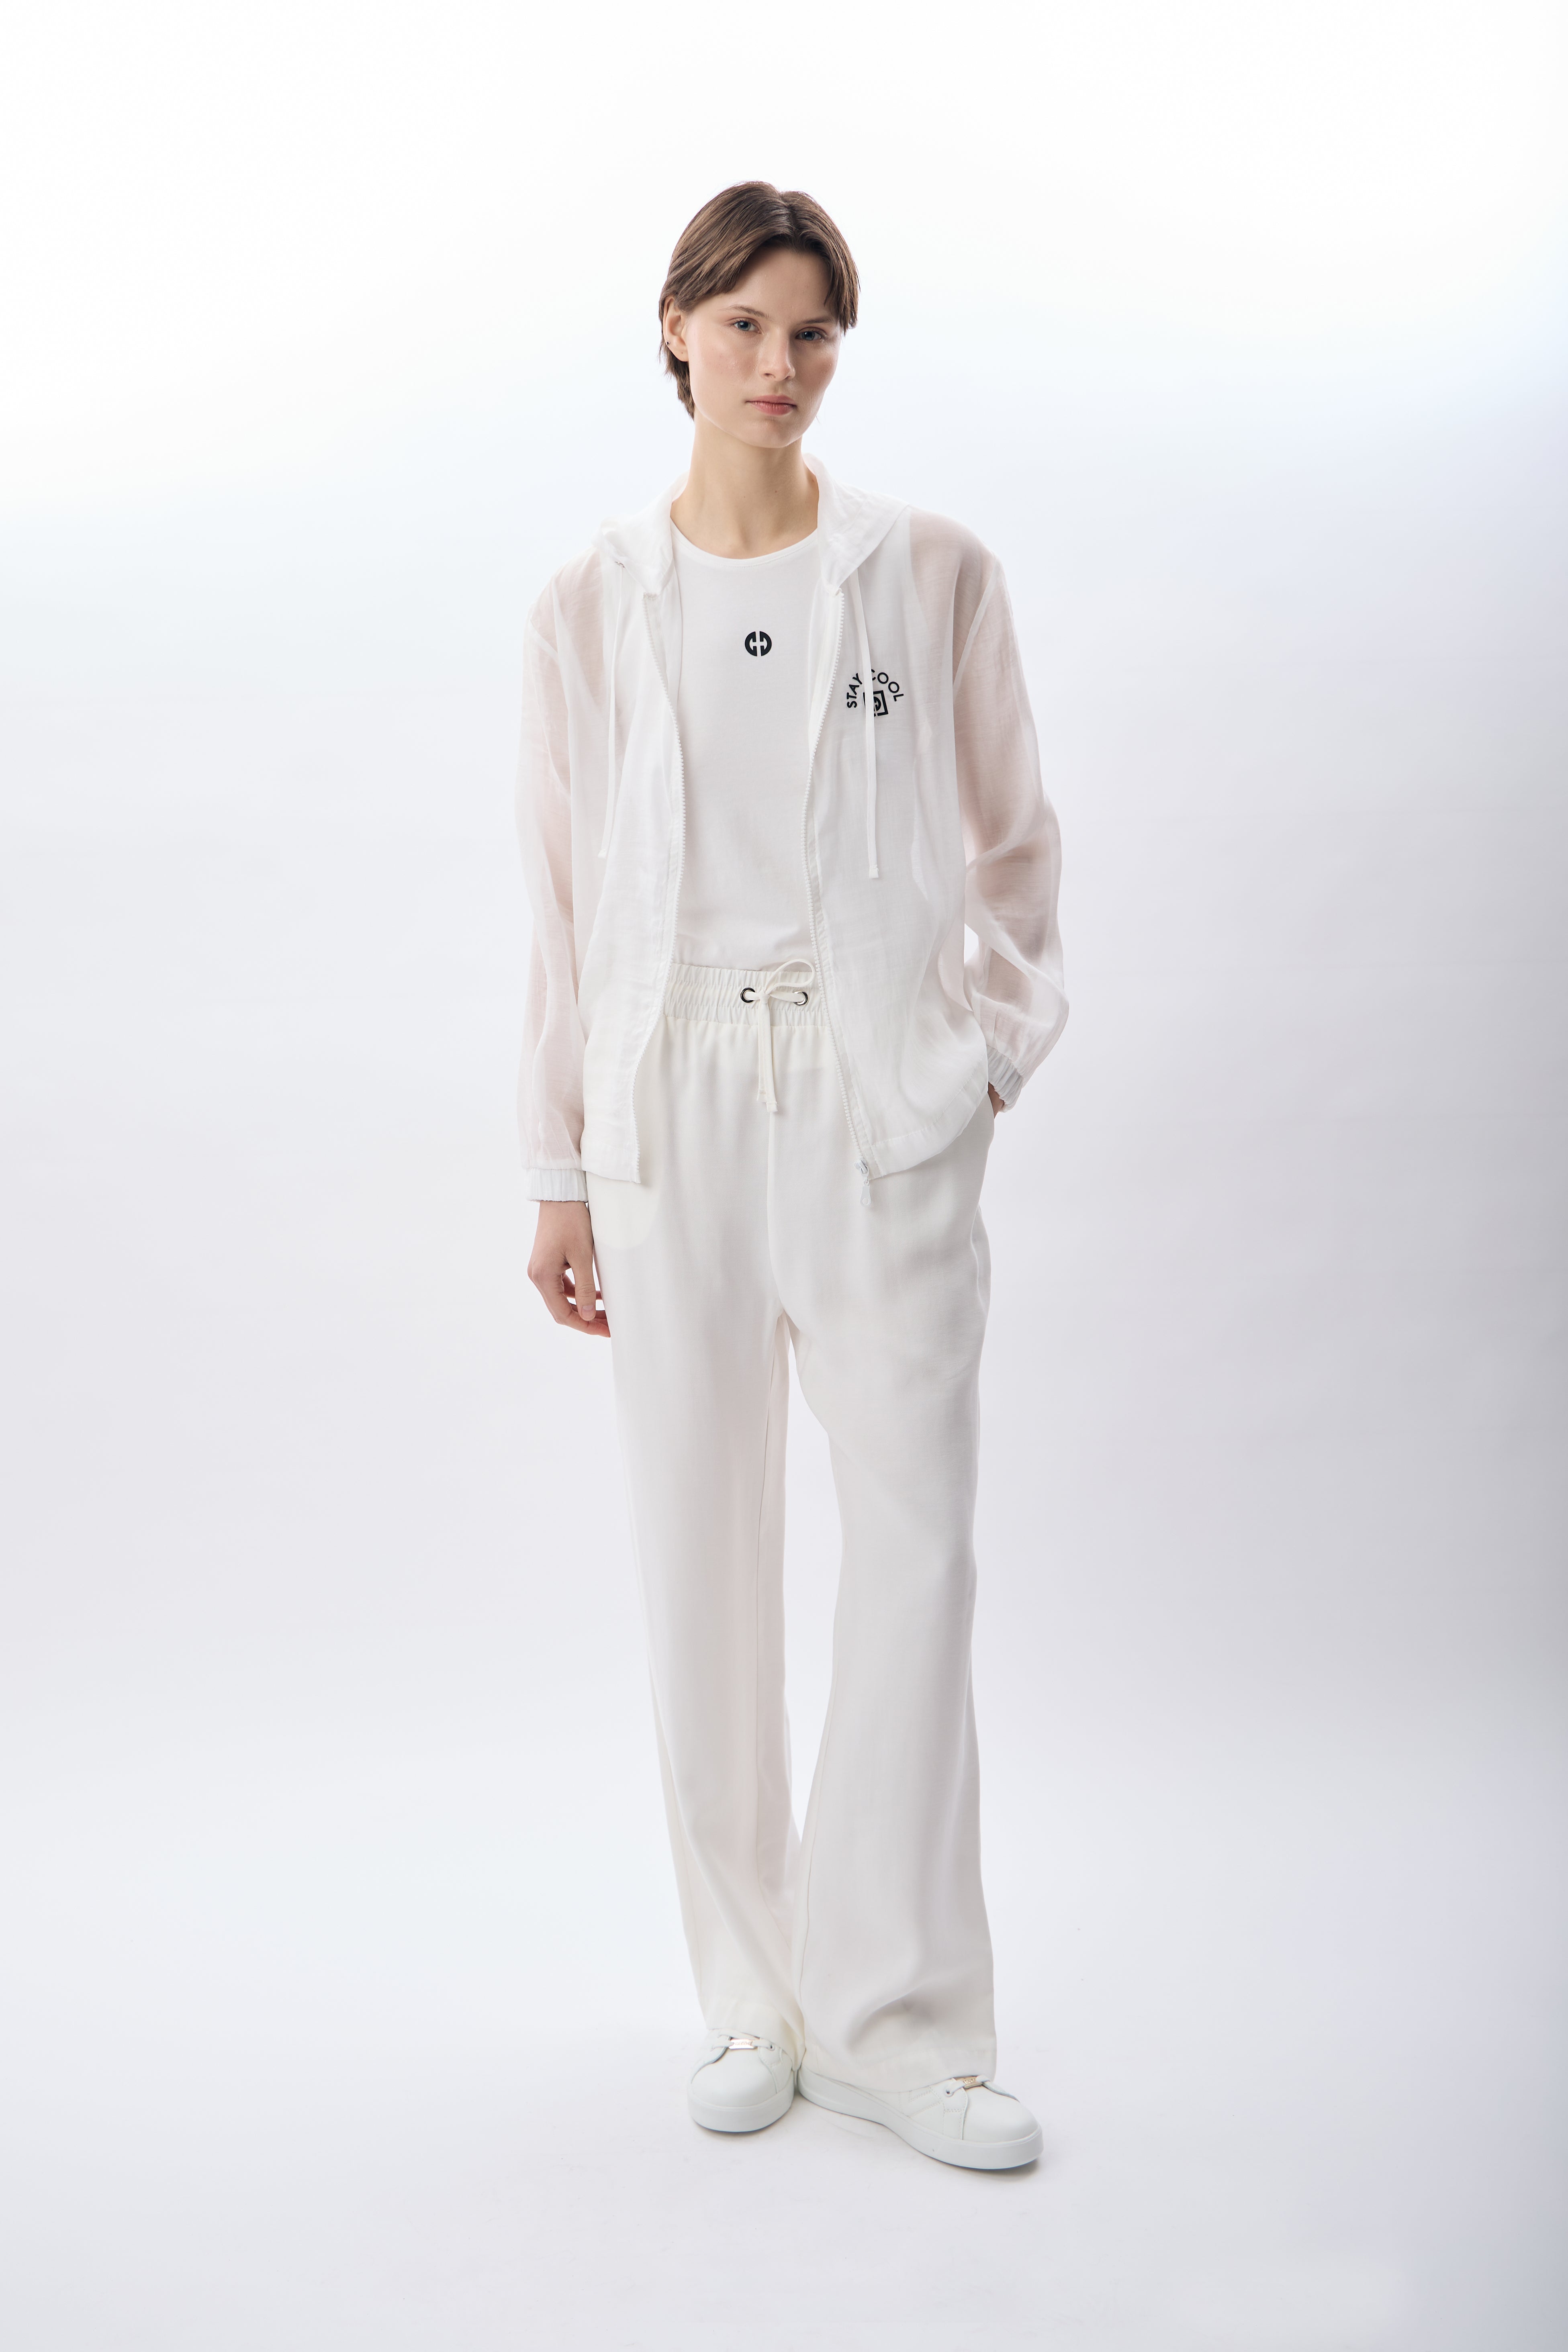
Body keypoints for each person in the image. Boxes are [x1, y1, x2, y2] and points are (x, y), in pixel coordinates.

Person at [515, 182, 1065, 2171]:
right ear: (675, 327)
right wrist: (561, 1164)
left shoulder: (927, 572)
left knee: (916, 1549)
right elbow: (563, 906)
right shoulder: (590, 605)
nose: (779, 365)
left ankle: (899, 2022)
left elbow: (1017, 850)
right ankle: (752, 1994)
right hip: (669, 1116)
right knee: (703, 1552)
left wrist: (980, 1055)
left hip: (874, 1106)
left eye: (813, 333)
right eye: (745, 325)